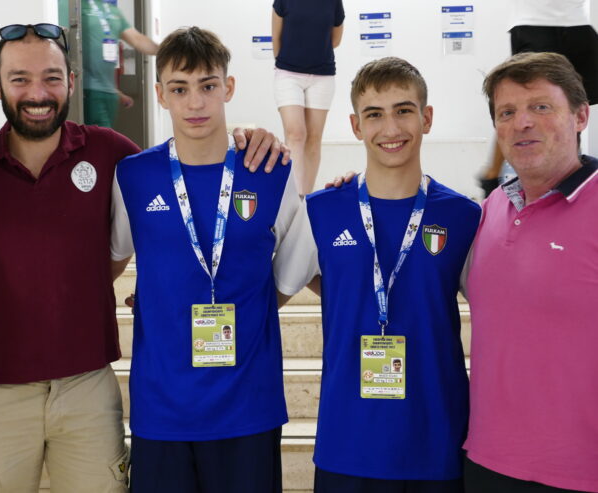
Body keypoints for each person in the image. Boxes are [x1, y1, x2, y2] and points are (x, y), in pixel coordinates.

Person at [0, 23, 288, 493]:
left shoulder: (109, 153)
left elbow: (186, 167)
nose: (38, 93)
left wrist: (247, 135)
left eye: (51, 77)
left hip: (87, 386)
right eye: (20, 78)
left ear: (71, 81)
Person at [110, 26, 304, 492]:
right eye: (179, 89)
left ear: (228, 88)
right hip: (162, 408)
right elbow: (112, 258)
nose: (195, 103)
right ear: (160, 94)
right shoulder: (133, 176)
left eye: (207, 86)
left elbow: (288, 276)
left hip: (248, 405)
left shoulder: (270, 170)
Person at [275, 57, 480, 492]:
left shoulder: (463, 216)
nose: (390, 128)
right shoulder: (321, 212)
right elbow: (275, 290)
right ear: (355, 126)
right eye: (374, 114)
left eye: (403, 110)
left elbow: (500, 311)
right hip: (347, 443)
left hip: (436, 443)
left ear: (426, 118)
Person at [463, 51, 598, 492]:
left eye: (541, 106)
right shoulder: (490, 210)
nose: (522, 122)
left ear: (580, 116)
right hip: (486, 463)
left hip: (581, 473)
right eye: (507, 112)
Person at [478, 0, 597, 197]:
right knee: (521, 105)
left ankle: (574, 183)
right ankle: (491, 178)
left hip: (578, 25)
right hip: (535, 24)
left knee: (572, 110)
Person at [272, 0, 344, 196]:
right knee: (295, 133)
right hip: (288, 74)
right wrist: (289, 62)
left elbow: (335, 40)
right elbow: (276, 37)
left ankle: (305, 198)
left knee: (313, 138)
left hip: (322, 75)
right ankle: (293, 199)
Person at [82, 0, 159, 127]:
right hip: (88, 90)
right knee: (101, 136)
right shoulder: (77, 6)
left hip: (110, 92)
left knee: (106, 135)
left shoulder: (113, 11)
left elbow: (137, 40)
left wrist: (168, 50)